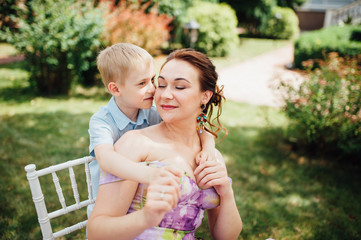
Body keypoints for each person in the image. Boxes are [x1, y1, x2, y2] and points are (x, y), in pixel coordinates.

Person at [87, 48, 242, 239]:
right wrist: (146, 217)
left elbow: (226, 237)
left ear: (205, 96)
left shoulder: (211, 156)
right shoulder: (135, 143)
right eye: (161, 84)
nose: (163, 95)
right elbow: (95, 233)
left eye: (179, 87)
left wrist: (226, 193)